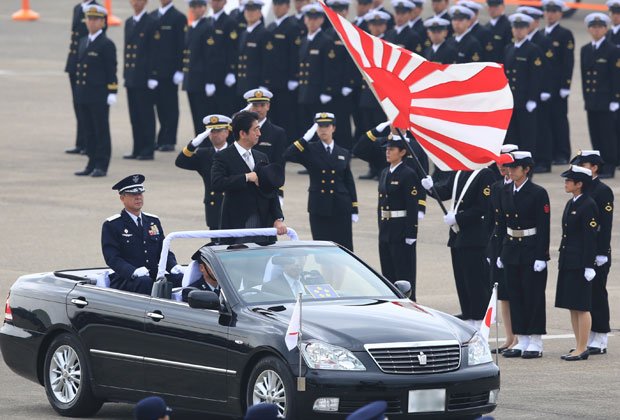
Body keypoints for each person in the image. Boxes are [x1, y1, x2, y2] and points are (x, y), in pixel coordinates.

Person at [421, 165, 495, 328]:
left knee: (475, 280)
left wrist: (459, 218)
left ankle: (479, 316)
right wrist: (431, 188)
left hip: (475, 235)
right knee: (462, 279)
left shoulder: (485, 174)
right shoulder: (460, 172)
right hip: (458, 235)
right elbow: (446, 192)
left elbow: (483, 207)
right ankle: (468, 313)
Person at [495, 151, 551, 359]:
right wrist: (501, 252)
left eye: (515, 167)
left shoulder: (538, 193)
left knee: (533, 295)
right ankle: (522, 338)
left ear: (526, 169)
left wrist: (541, 256)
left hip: (530, 248)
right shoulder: (505, 191)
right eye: (509, 167)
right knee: (515, 294)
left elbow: (543, 226)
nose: (510, 171)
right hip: (511, 248)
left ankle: (535, 339)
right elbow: (502, 224)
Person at [284, 113, 358, 250]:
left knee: (344, 248)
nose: (323, 129)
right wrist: (305, 138)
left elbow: (349, 181)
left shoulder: (343, 152)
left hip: (341, 206)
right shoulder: (310, 149)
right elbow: (288, 154)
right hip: (319, 206)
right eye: (319, 126)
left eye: (327, 126)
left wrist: (354, 208)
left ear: (333, 128)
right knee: (322, 248)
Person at [211, 111, 287, 243]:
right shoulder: (223, 156)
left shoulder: (261, 156)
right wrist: (245, 177)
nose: (259, 134)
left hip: (264, 223)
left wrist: (278, 218)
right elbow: (217, 183)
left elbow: (271, 190)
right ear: (242, 133)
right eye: (255, 130)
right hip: (238, 223)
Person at [102, 175, 184, 294]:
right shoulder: (113, 224)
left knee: (182, 279)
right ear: (122, 198)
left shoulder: (152, 221)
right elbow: (112, 258)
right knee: (144, 282)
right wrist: (132, 271)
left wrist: (173, 266)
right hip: (126, 278)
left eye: (140, 194)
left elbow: (163, 250)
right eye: (133, 195)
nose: (138, 197)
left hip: (153, 274)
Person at [570, 150, 614, 354]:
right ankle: (588, 337)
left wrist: (602, 252)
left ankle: (601, 336)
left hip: (598, 251)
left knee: (597, 293)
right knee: (585, 296)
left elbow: (605, 224)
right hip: (583, 251)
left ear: (594, 167)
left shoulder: (602, 190)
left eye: (584, 164)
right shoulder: (585, 189)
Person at [556, 165, 599, 361]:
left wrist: (589, 265)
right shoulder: (572, 203)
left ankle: (583, 347)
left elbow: (590, 238)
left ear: (580, 184)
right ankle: (578, 344)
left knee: (582, 305)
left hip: (581, 262)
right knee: (573, 304)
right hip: (569, 260)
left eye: (569, 181)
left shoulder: (588, 205)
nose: (566, 183)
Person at [73, 4, 117, 178]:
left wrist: (112, 91)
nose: (91, 22)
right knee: (88, 130)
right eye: (89, 19)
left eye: (95, 19)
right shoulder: (83, 41)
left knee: (100, 130)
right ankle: (91, 162)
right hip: (83, 94)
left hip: (99, 94)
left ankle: (102, 164)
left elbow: (110, 69)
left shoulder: (106, 44)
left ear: (102, 22)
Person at [376, 136, 420, 300]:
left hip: (401, 230)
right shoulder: (385, 172)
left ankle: (409, 303)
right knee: (388, 272)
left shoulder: (408, 174)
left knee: (403, 272)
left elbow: (412, 206)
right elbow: (381, 204)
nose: (387, 152)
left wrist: (411, 234)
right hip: (386, 229)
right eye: (387, 149)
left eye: (391, 149)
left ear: (402, 152)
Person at [486, 144, 518, 353]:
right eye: (498, 161)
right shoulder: (497, 186)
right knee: (503, 294)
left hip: (515, 246)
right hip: (499, 245)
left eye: (505, 162)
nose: (501, 166)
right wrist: (491, 250)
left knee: (516, 293)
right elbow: (492, 221)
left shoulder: (519, 188)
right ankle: (509, 337)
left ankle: (518, 337)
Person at [175, 114, 232, 229]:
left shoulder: (235, 152)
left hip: (232, 206)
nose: (215, 135)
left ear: (227, 132)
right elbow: (180, 162)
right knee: (216, 243)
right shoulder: (204, 154)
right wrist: (193, 144)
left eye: (218, 131)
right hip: (213, 207)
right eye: (211, 132)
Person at [516, 6, 554, 173]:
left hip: (538, 93)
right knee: (527, 131)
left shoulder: (542, 41)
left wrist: (545, 90)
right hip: (523, 95)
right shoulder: (515, 46)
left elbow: (546, 70)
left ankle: (543, 159)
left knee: (541, 128)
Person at [581, 12, 619, 178]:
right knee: (595, 134)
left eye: (600, 27)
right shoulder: (586, 50)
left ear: (605, 29)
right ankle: (599, 165)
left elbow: (616, 76)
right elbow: (585, 77)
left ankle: (610, 165)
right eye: (593, 27)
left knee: (607, 135)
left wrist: (616, 98)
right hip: (592, 100)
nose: (596, 30)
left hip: (606, 100)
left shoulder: (612, 50)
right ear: (589, 29)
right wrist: (586, 99)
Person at [65, 0, 104, 155]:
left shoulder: (96, 8)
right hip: (75, 63)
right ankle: (80, 142)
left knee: (87, 108)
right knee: (78, 105)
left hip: (88, 64)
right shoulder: (77, 8)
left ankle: (89, 144)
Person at [148, 0, 186, 152]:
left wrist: (180, 69)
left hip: (170, 71)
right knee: (158, 106)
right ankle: (161, 137)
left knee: (169, 106)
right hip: (155, 71)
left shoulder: (178, 17)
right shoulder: (152, 16)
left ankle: (169, 139)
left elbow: (182, 45)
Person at [503, 13, 543, 154]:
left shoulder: (533, 49)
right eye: (516, 27)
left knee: (527, 137)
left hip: (526, 100)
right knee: (512, 135)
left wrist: (532, 99)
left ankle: (528, 168)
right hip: (512, 100)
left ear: (527, 29)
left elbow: (535, 77)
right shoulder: (509, 48)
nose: (518, 30)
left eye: (522, 27)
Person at [124, 0, 157, 161]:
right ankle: (137, 148)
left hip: (144, 77)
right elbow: (127, 50)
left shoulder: (151, 22)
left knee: (146, 114)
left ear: (145, 2)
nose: (136, 3)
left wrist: (153, 75)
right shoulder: (129, 22)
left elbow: (154, 51)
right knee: (134, 115)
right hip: (132, 77)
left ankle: (148, 148)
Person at [543, 0, 575, 166]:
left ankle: (562, 152)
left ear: (560, 14)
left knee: (559, 120)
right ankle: (551, 151)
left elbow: (568, 62)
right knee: (547, 121)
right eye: (548, 10)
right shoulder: (542, 33)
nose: (550, 14)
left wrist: (566, 85)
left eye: (554, 11)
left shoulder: (564, 34)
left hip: (558, 86)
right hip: (545, 88)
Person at [264, 0, 302, 138]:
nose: (277, 7)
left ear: (287, 6)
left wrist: (294, 77)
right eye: (275, 4)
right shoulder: (271, 26)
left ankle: (289, 143)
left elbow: (295, 54)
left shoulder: (293, 27)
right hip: (272, 80)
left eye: (280, 4)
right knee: (274, 116)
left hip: (286, 81)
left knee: (287, 116)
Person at [297, 3, 337, 128]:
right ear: (305, 19)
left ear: (322, 20)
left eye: (315, 18)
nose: (312, 21)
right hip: (304, 91)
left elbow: (329, 69)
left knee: (318, 127)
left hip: (318, 92)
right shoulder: (304, 40)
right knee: (304, 125)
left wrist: (327, 91)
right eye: (309, 18)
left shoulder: (326, 40)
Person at [182, 0, 213, 137]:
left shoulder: (207, 27)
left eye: (199, 6)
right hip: (191, 78)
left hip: (201, 79)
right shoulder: (192, 26)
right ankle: (198, 140)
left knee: (202, 114)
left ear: (204, 8)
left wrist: (209, 80)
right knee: (195, 113)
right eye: (193, 6)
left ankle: (205, 142)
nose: (195, 9)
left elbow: (209, 56)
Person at [209, 0, 239, 118]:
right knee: (212, 113)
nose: (214, 3)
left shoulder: (229, 22)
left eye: (218, 1)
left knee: (225, 112)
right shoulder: (209, 21)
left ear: (224, 2)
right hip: (211, 75)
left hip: (224, 76)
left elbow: (233, 48)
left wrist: (231, 71)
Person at [235, 0, 270, 100]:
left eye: (253, 10)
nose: (250, 13)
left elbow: (267, 61)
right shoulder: (244, 34)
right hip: (243, 84)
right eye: (247, 10)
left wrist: (264, 83)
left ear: (259, 13)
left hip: (256, 84)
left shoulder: (264, 33)